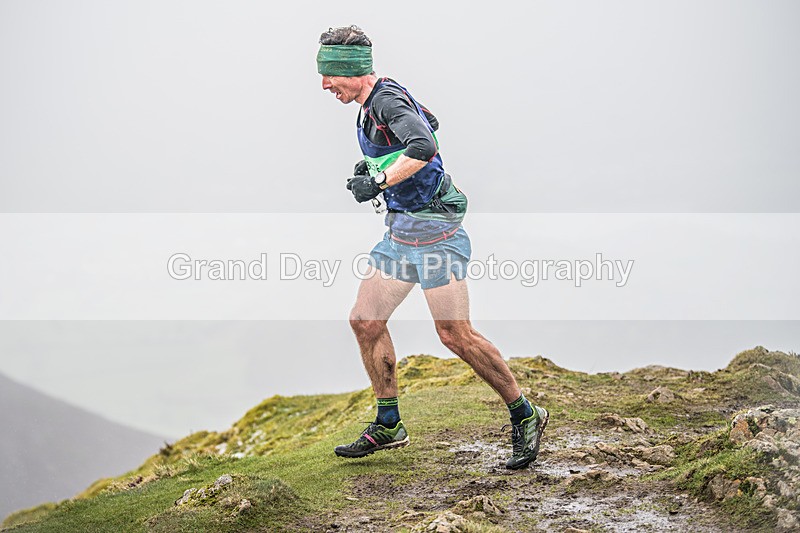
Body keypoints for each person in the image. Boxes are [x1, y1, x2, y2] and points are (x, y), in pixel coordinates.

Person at [317, 25, 548, 469]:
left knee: (455, 335)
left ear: (352, 70)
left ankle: (526, 414)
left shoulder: (385, 100)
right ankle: (389, 424)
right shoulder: (373, 104)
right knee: (365, 320)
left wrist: (380, 180)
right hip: (402, 232)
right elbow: (428, 124)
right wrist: (378, 163)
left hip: (436, 233)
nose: (325, 84)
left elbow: (425, 144)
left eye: (330, 74)